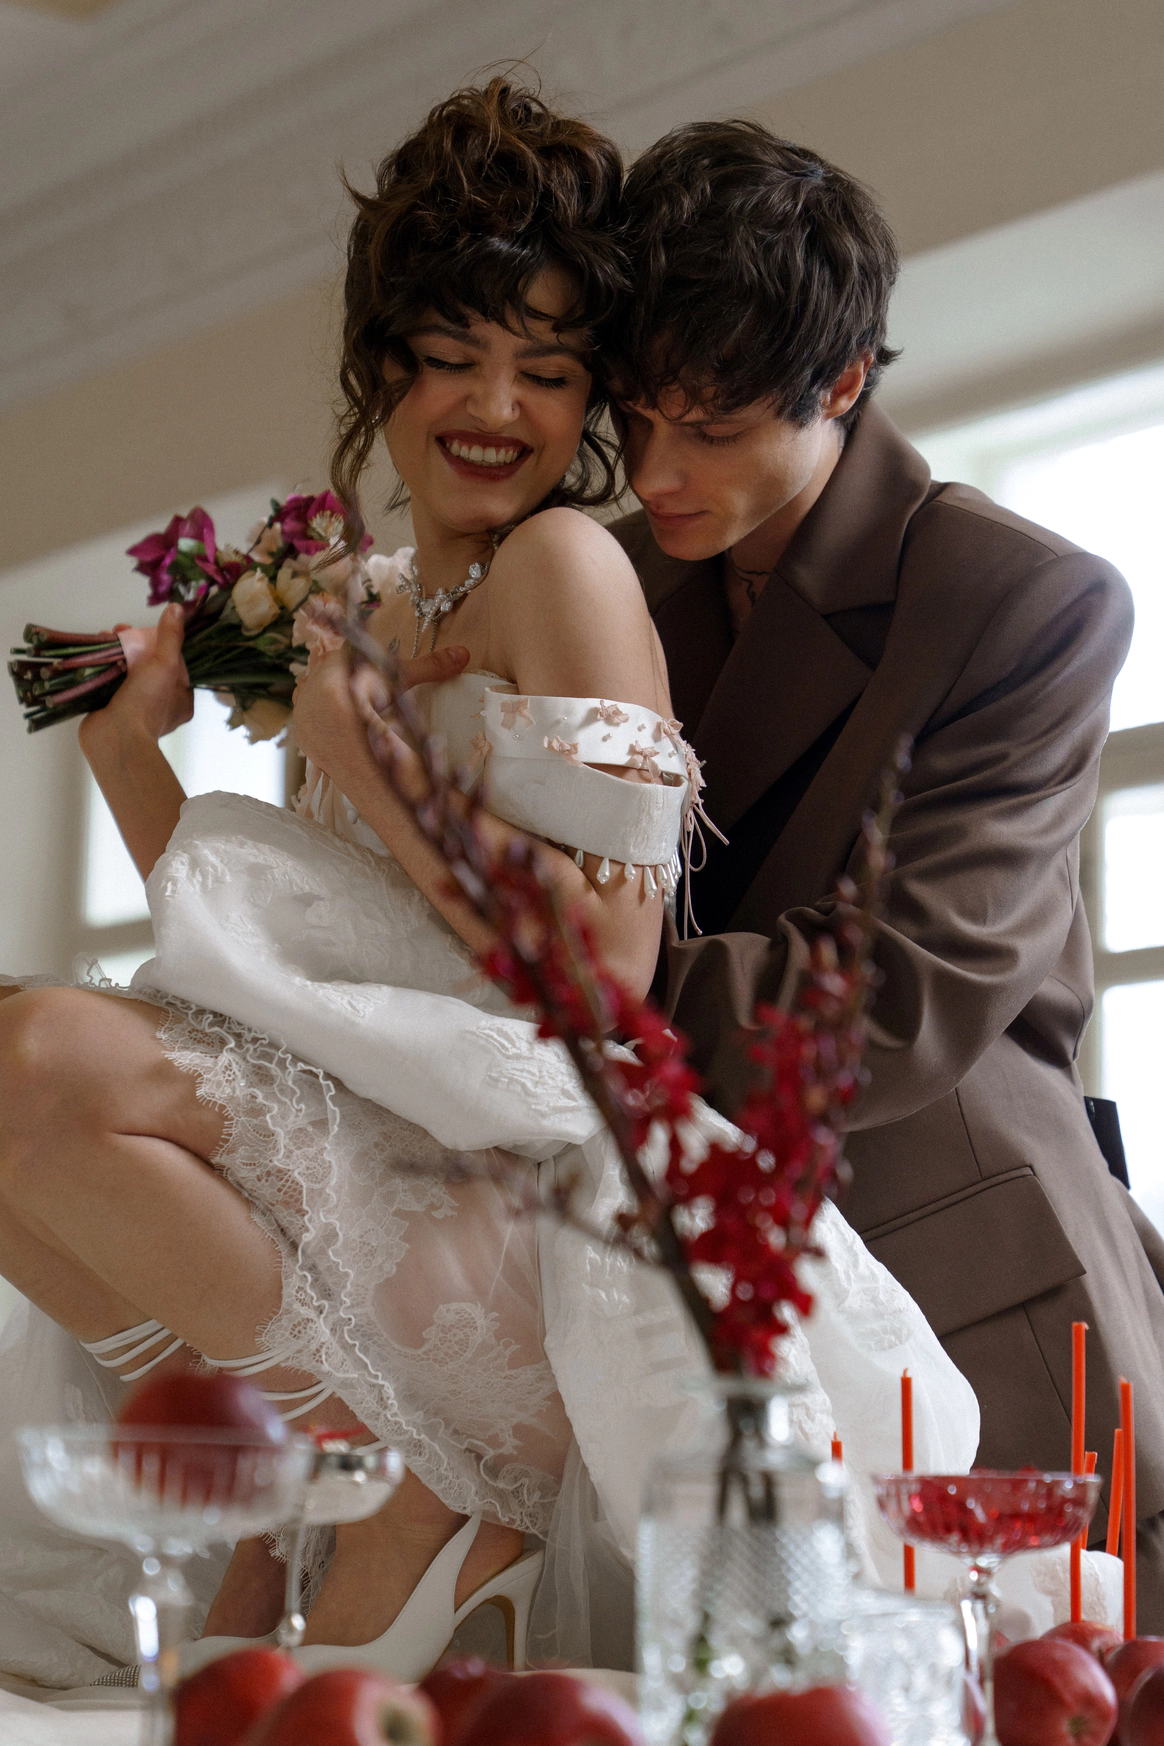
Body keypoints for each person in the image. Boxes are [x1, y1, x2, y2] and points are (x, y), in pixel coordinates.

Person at [0, 84, 979, 1689]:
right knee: (13, 1098)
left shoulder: (562, 566)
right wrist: (126, 755)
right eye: (453, 354)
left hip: (513, 1184)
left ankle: (405, 1500)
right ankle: (322, 1487)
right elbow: (295, 957)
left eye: (549, 368)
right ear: (380, 368)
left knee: (39, 1054)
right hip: (383, 1158)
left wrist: (380, 759)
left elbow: (603, 971)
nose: (498, 406)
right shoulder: (372, 604)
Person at [603, 120, 1164, 1623]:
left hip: (956, 1263)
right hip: (681, 1295)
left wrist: (565, 978)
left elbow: (897, 998)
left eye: (712, 426)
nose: (655, 471)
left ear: (845, 380)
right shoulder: (606, 572)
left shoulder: (1017, 598)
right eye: (633, 416)